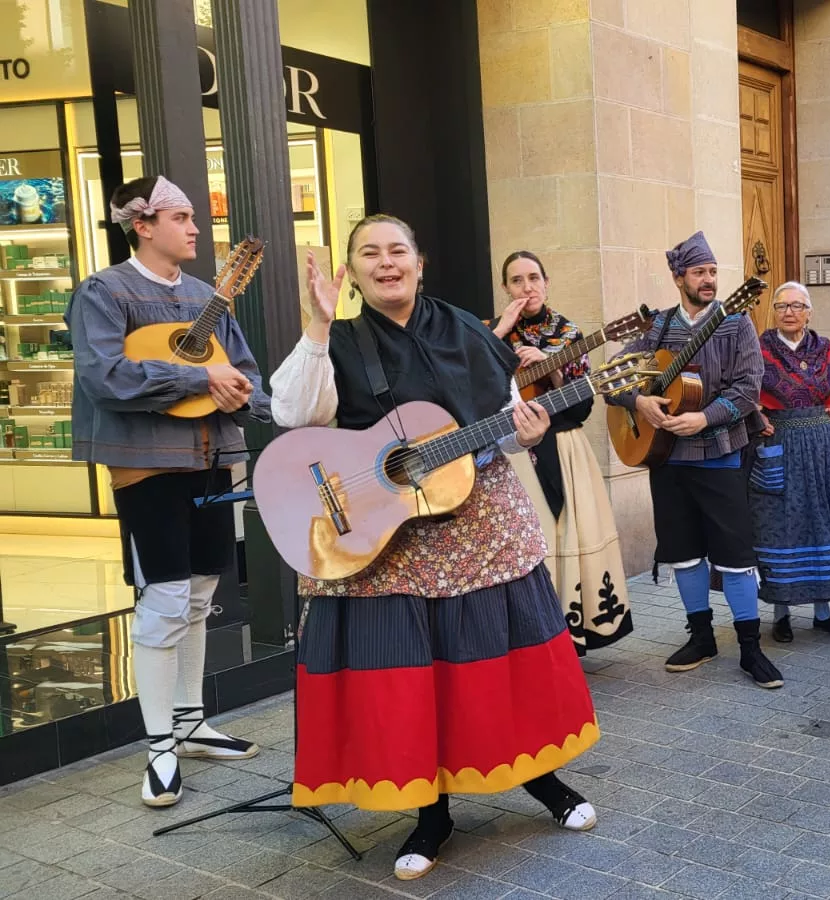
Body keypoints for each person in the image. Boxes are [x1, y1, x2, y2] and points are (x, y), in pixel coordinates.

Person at [274, 216, 600, 880]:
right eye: (370, 253)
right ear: (353, 271)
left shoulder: (470, 331)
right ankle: (430, 810)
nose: (386, 262)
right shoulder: (337, 340)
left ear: (420, 262)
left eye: (398, 250)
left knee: (508, 661)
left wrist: (528, 436)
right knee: (410, 675)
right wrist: (316, 324)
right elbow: (292, 413)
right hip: (378, 533)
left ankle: (542, 778)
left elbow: (506, 423)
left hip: (478, 522)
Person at [66, 176, 270, 808]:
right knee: (165, 596)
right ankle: (158, 746)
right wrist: (199, 375)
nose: (196, 228)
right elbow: (106, 376)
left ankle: (190, 722)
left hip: (213, 457)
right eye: (182, 216)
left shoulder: (210, 295)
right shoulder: (104, 291)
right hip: (146, 465)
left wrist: (246, 396)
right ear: (143, 224)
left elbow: (247, 375)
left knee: (205, 591)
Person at [608, 231, 782, 688]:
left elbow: (747, 388)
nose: (708, 280)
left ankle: (750, 647)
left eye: (712, 272)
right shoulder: (657, 328)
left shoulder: (737, 323)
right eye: (699, 272)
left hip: (719, 455)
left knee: (736, 555)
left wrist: (704, 418)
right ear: (677, 277)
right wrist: (637, 403)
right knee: (683, 554)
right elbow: (610, 379)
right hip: (665, 458)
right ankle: (701, 637)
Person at [492, 251, 632, 654]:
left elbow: (583, 406)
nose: (527, 287)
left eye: (534, 278)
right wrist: (499, 338)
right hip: (514, 451)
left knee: (569, 532)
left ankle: (569, 637)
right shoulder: (490, 332)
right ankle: (525, 638)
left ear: (547, 282)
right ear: (505, 288)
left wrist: (552, 365)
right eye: (516, 280)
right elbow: (472, 382)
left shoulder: (569, 334)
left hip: (564, 445)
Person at [749, 281, 830, 642]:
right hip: (779, 442)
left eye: (796, 306)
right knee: (782, 525)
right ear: (773, 311)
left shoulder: (824, 350)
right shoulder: (757, 350)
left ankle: (824, 612)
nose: (788, 312)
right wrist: (757, 417)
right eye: (781, 306)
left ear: (809, 312)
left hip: (823, 445)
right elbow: (740, 389)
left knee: (826, 521)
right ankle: (781, 614)